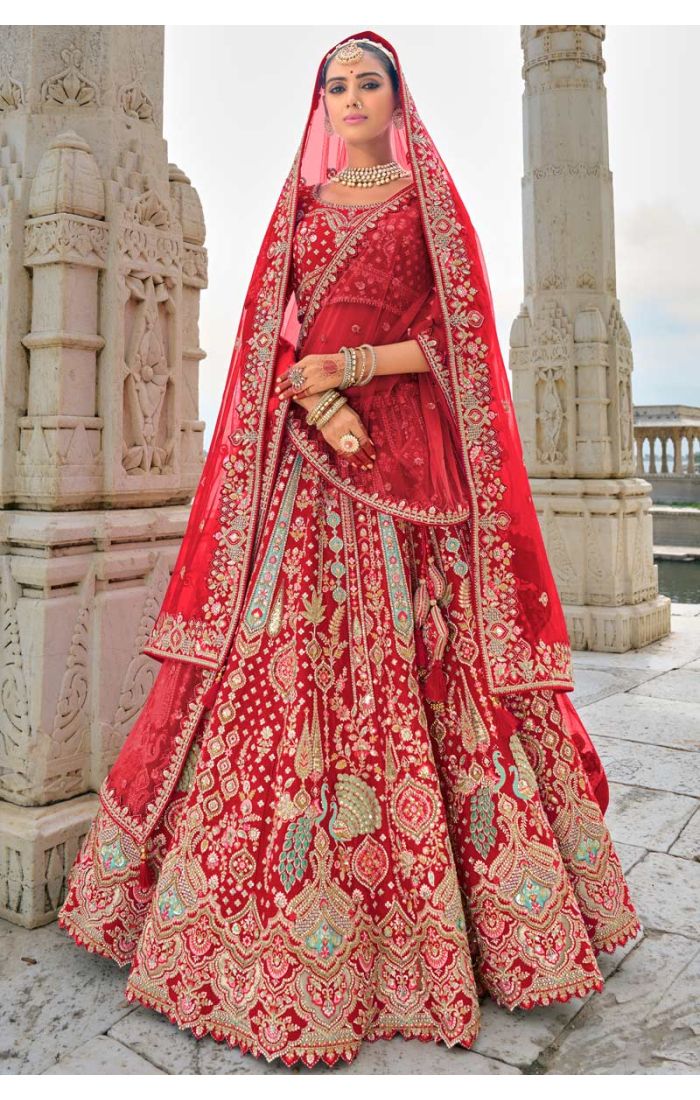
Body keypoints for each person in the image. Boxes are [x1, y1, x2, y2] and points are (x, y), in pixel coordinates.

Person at [57, 29, 643, 1069]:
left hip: (404, 468)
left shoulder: (425, 209)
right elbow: (264, 336)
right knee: (274, 667)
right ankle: (232, 934)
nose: (352, 96)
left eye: (369, 82)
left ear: (394, 98)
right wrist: (310, 386)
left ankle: (448, 936)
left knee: (426, 669)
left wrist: (356, 364)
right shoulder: (299, 210)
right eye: (337, 85)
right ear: (322, 103)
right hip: (301, 466)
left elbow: (459, 338)